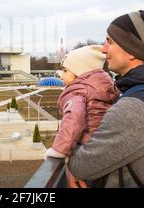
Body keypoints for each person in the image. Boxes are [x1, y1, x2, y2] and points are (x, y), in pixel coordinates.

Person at [68, 10, 144, 188]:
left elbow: (82, 166)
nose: (104, 49)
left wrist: (68, 140)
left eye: (110, 41)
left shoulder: (136, 108)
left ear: (132, 50)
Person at [44, 45, 119, 187]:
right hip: (105, 149)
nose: (62, 75)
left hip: (87, 153)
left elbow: (74, 118)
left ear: (80, 73)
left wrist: (59, 150)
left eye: (65, 71)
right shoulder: (103, 89)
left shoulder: (78, 92)